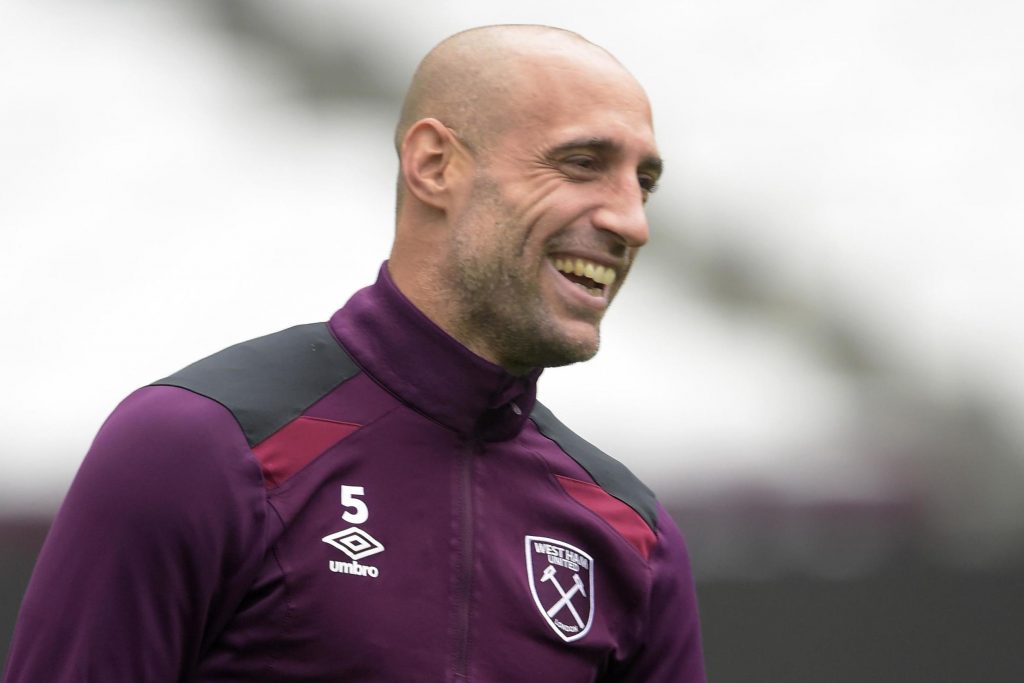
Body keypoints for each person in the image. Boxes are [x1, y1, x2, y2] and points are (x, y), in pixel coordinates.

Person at [3, 24, 705, 682]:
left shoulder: (633, 536)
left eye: (642, 184)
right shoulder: (192, 447)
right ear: (434, 165)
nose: (631, 221)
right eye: (582, 164)